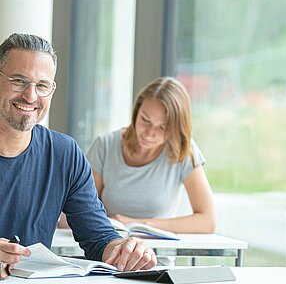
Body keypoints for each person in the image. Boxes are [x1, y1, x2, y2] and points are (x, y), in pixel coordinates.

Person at [0, 33, 156, 280]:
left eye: (42, 85)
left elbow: (98, 238)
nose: (30, 96)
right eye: (18, 81)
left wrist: (124, 249)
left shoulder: (65, 154)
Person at [86, 77, 216, 243]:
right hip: (110, 254)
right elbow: (82, 210)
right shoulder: (105, 145)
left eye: (162, 127)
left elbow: (207, 221)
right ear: (136, 112)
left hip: (158, 259)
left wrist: (139, 225)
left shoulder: (183, 151)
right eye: (145, 120)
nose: (149, 133)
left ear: (176, 129)